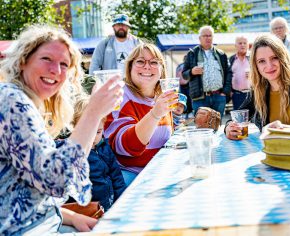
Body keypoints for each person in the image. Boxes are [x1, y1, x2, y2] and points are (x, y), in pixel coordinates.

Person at [0, 25, 123, 234]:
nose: (56, 70)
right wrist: (92, 113)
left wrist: (73, 217)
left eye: (64, 64)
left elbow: (37, 188)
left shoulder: (26, 103)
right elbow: (54, 181)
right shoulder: (11, 101)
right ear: (23, 60)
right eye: (46, 59)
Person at [225, 34, 290, 140]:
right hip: (274, 153)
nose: (269, 66)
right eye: (262, 61)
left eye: (274, 58)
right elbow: (238, 116)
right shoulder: (258, 91)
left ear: (282, 57)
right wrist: (229, 128)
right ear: (255, 66)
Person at [104, 43, 177, 186]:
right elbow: (124, 148)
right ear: (129, 67)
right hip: (130, 175)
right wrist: (155, 115)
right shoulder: (120, 96)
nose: (147, 66)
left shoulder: (161, 97)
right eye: (140, 61)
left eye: (154, 62)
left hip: (159, 172)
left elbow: (164, 138)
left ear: (161, 69)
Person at [62, 95, 126, 211]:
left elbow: (116, 177)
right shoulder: (71, 152)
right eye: (88, 130)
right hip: (87, 210)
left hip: (110, 205)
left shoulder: (104, 147)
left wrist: (123, 200)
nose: (93, 136)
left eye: (98, 131)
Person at [182, 25, 232, 117]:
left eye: (210, 35)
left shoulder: (221, 54)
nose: (207, 38)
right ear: (199, 38)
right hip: (199, 98)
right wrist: (191, 72)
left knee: (217, 126)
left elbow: (229, 73)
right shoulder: (192, 53)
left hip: (218, 96)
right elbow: (184, 75)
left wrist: (225, 92)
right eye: (205, 36)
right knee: (202, 127)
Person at [229, 35, 251, 110]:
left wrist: (253, 75)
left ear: (248, 45)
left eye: (245, 43)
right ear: (235, 45)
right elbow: (227, 76)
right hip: (236, 94)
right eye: (240, 43)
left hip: (251, 93)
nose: (242, 45)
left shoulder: (253, 58)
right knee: (239, 119)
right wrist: (229, 91)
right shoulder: (231, 59)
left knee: (252, 118)